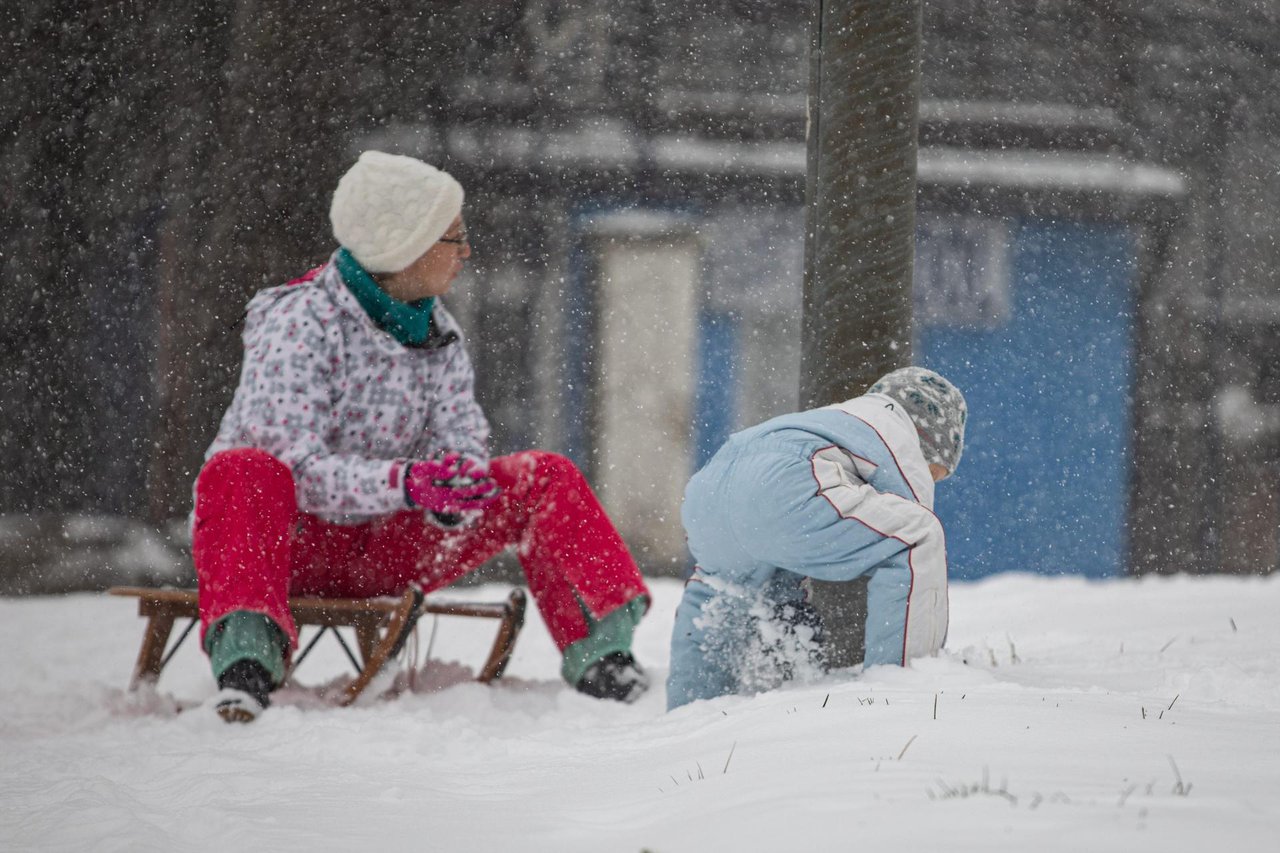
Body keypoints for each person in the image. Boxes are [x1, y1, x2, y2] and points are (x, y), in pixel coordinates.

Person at [194, 150, 650, 722]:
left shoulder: (439, 332)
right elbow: (298, 470)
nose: (466, 252)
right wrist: (406, 483)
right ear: (402, 245)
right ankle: (246, 668)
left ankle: (603, 657)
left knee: (543, 478)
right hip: (289, 548)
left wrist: (457, 485)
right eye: (452, 238)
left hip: (387, 545)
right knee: (242, 472)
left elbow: (461, 433)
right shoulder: (299, 322)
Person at [666, 367, 967, 710]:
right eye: (935, 474)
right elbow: (907, 523)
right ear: (929, 442)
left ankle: (689, 708)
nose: (932, 481)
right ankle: (905, 688)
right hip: (784, 487)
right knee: (919, 536)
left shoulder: (835, 418)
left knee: (720, 592)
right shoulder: (897, 431)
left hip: (711, 491)